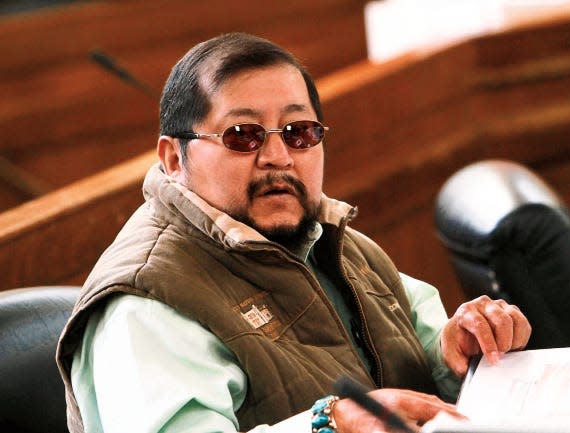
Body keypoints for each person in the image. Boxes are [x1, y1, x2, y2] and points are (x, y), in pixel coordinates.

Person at [56, 32, 531, 433]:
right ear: (174, 159)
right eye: (243, 134)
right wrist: (331, 423)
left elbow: (428, 359)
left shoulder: (333, 243)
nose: (278, 157)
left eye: (298, 131)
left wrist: (463, 349)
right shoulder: (146, 303)